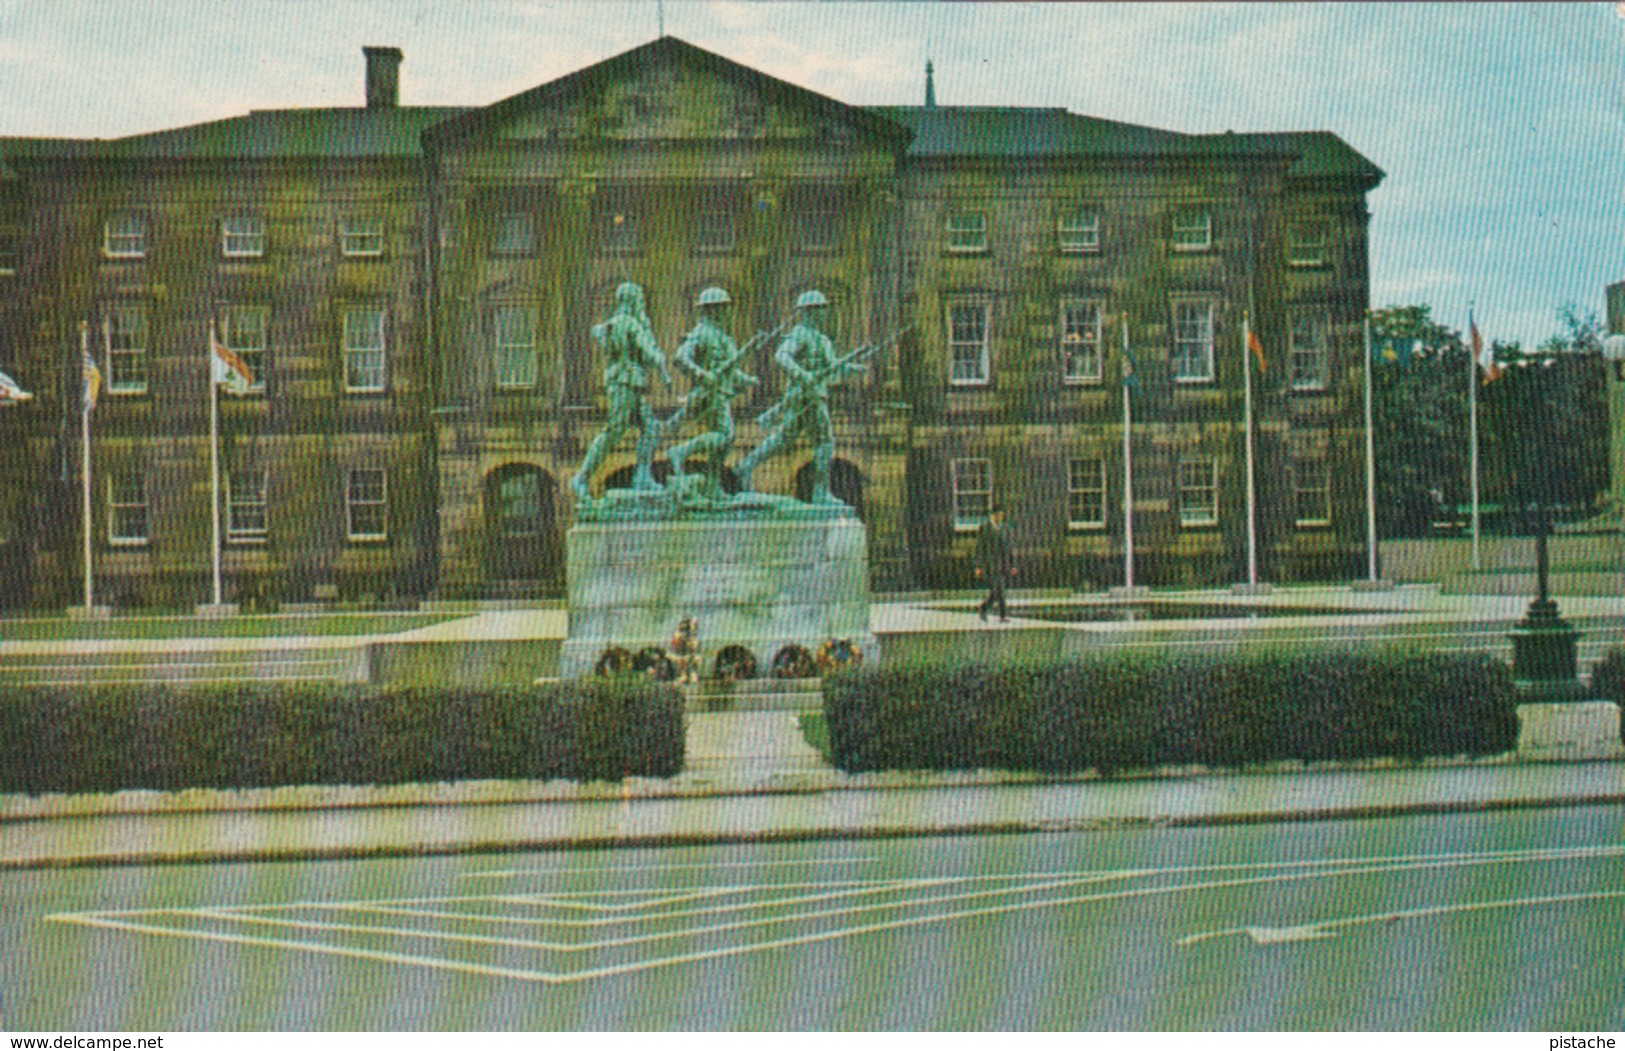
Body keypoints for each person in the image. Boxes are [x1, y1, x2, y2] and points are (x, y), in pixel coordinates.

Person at [733, 290, 866, 506]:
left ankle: (747, 465)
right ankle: (820, 494)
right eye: (819, 309)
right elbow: (782, 356)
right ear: (808, 312)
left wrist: (850, 367)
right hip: (803, 395)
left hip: (815, 395)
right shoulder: (801, 334)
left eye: (824, 309)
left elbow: (830, 369)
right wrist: (803, 375)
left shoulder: (822, 340)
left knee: (785, 438)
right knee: (824, 443)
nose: (824, 313)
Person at [569, 282, 672, 503]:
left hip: (629, 382)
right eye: (640, 300)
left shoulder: (619, 323)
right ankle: (581, 478)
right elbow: (648, 351)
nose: (642, 303)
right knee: (614, 431)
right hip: (625, 382)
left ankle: (643, 477)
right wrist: (663, 370)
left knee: (650, 427)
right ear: (633, 300)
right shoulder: (628, 323)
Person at [662, 287, 758, 501]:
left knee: (724, 442)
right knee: (725, 436)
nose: (726, 312)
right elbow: (680, 358)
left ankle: (713, 486)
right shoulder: (702, 332)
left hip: (721, 392)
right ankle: (681, 452)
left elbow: (730, 370)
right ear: (712, 310)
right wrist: (703, 375)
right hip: (710, 393)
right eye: (722, 308)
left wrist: (746, 380)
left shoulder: (723, 336)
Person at [975, 506, 1015, 622]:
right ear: (993, 516)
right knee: (1000, 590)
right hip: (990, 565)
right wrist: (978, 566)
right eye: (998, 515)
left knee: (996, 591)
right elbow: (979, 548)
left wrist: (1012, 565)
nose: (1000, 518)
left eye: (1002, 516)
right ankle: (1002, 616)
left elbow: (1009, 548)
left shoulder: (1005, 529)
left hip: (1003, 565)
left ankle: (983, 608)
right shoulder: (985, 529)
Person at [669, 616, 700, 685]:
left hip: (688, 661)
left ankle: (688, 674)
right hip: (681, 661)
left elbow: (694, 651)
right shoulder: (678, 638)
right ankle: (684, 675)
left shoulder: (693, 640)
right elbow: (672, 654)